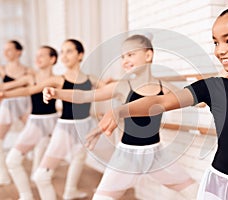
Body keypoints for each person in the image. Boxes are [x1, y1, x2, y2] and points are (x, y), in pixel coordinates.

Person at [82, 2, 228, 200]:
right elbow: (162, 102)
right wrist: (121, 110)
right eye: (216, 42)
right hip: (220, 186)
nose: (220, 50)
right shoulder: (213, 87)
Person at [43, 34, 199, 200]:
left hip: (156, 154)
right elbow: (84, 96)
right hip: (126, 156)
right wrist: (57, 93)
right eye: (122, 57)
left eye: (130, 55)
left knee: (193, 190)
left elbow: (194, 98)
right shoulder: (123, 86)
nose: (124, 60)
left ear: (148, 55)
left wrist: (206, 93)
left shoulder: (164, 87)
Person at [0, 39, 104, 200]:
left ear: (80, 55)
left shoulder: (91, 78)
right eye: (62, 51)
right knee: (41, 174)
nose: (64, 55)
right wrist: (5, 94)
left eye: (69, 51)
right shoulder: (57, 80)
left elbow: (108, 89)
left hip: (84, 125)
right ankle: (27, 194)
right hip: (63, 126)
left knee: (79, 157)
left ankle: (70, 190)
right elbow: (30, 89)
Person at [0, 45, 59, 200]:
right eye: (36, 55)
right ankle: (26, 196)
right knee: (12, 160)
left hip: (53, 122)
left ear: (52, 59)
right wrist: (4, 94)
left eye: (42, 55)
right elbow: (11, 87)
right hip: (35, 122)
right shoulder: (30, 77)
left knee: (43, 170)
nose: (37, 59)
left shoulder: (58, 79)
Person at [0, 40, 33, 185]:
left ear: (18, 52)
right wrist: (22, 81)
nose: (5, 52)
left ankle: (36, 170)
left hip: (25, 105)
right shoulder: (2, 69)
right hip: (8, 105)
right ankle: (3, 174)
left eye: (9, 49)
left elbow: (32, 89)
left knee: (37, 135)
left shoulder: (29, 71)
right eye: (4, 49)